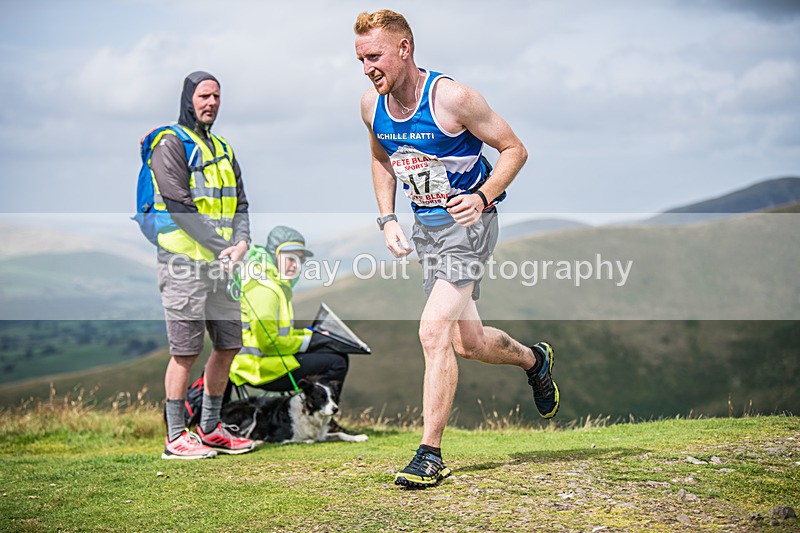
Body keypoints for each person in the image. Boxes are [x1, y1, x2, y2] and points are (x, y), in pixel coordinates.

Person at [354, 10, 560, 487]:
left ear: (404, 48)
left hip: (471, 226)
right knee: (468, 342)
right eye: (361, 59)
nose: (368, 67)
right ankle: (535, 360)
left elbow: (515, 150)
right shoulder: (371, 105)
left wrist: (482, 196)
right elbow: (380, 158)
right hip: (427, 231)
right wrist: (387, 219)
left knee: (433, 331)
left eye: (375, 55)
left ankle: (430, 454)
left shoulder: (453, 98)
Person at [152, 71, 256, 459]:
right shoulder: (170, 143)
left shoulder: (224, 148)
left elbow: (241, 203)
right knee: (185, 351)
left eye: (216, 96)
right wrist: (222, 246)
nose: (210, 103)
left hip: (223, 266)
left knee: (229, 345)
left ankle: (210, 429)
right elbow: (180, 207)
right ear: (188, 99)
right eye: (203, 96)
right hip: (184, 264)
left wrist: (242, 242)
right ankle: (176, 436)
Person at [227, 226, 357, 433]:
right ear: (274, 256)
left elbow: (282, 334)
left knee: (332, 354)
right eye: (290, 258)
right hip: (259, 368)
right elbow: (269, 343)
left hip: (266, 362)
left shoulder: (275, 284)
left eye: (300, 260)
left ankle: (318, 414)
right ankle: (322, 416)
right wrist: (309, 342)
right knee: (337, 361)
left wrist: (312, 336)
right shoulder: (265, 289)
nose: (295, 265)